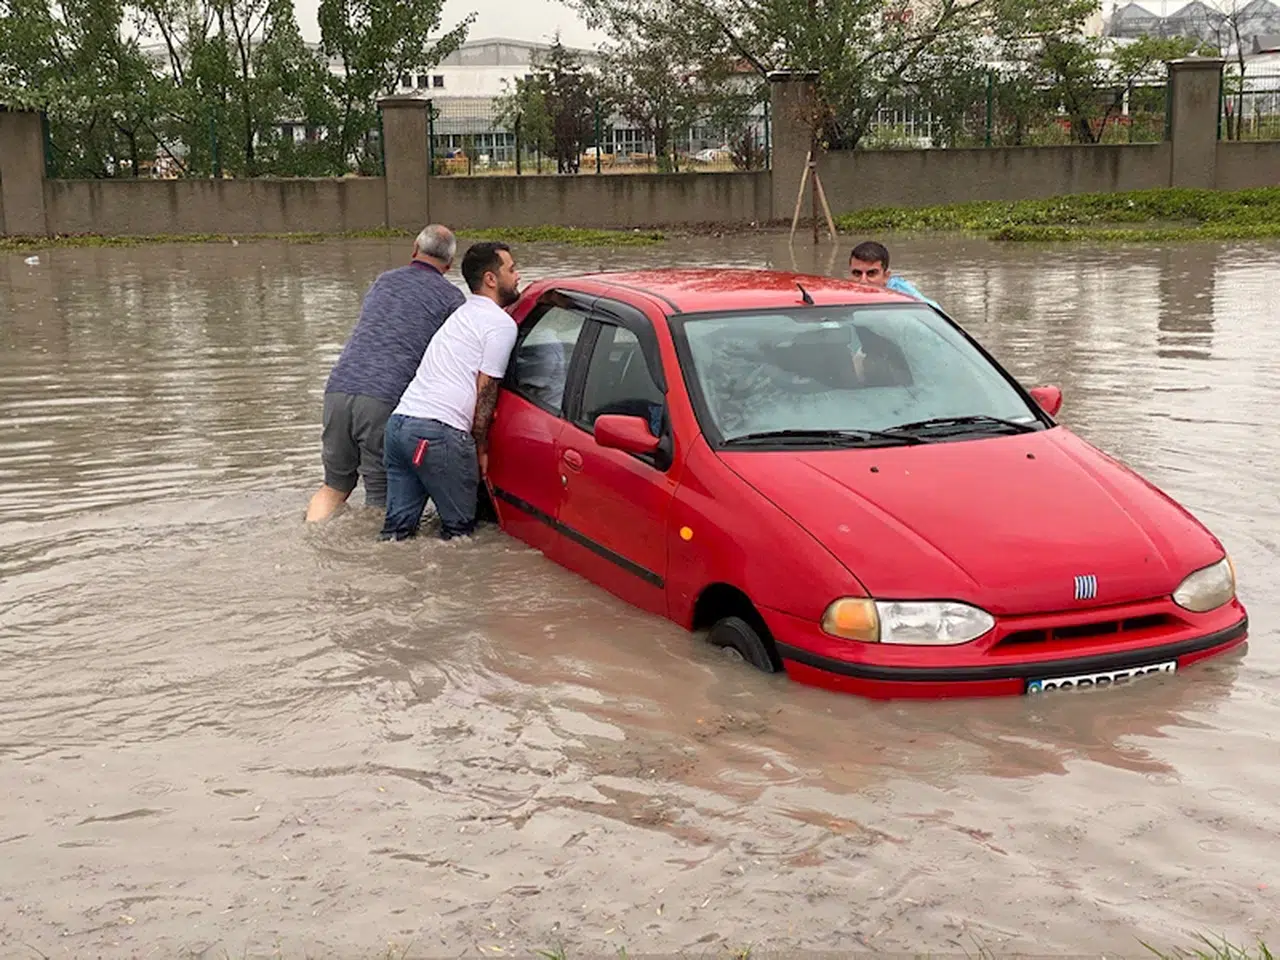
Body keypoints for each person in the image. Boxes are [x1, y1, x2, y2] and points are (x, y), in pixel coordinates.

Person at [305, 224, 466, 523]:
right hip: (384, 398)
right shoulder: (452, 299)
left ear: (414, 248)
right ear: (450, 264)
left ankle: (310, 539)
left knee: (334, 486)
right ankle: (374, 564)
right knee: (380, 497)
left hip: (339, 388)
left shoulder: (384, 281)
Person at [379, 241, 521, 542]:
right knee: (460, 537)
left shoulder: (459, 316)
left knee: (396, 536)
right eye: (511, 269)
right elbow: (486, 391)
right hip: (437, 433)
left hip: (399, 426)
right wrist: (480, 449)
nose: (518, 276)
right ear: (491, 279)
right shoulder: (500, 324)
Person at [848, 240, 941, 310]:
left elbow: (934, 313)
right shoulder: (842, 294)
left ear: (886, 276)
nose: (863, 281)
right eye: (857, 273)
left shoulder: (903, 297)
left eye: (871, 273)